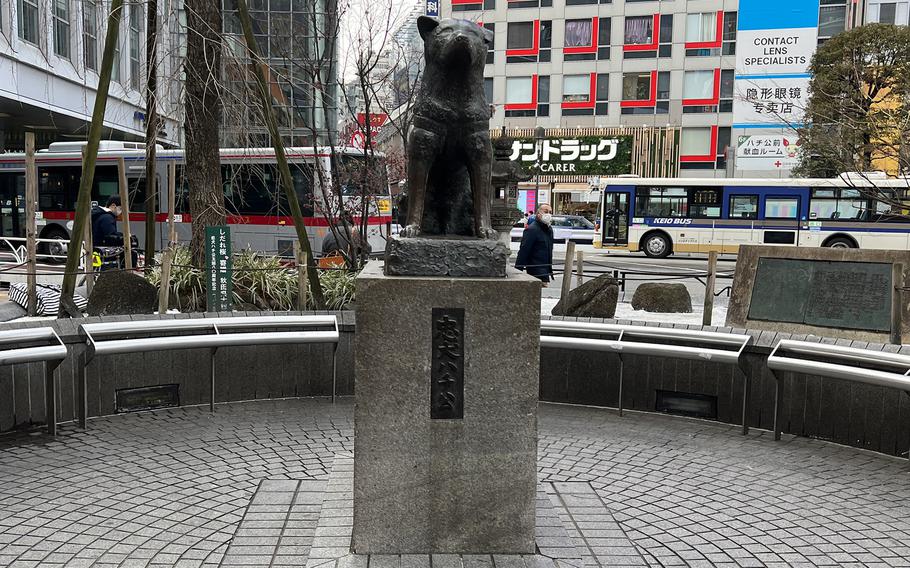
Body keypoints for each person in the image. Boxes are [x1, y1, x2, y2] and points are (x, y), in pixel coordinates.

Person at [516, 204, 554, 285]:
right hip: (535, 271)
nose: (549, 214)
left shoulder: (548, 229)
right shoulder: (532, 229)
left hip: (545, 270)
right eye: (546, 211)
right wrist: (517, 272)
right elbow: (523, 251)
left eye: (550, 212)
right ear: (538, 213)